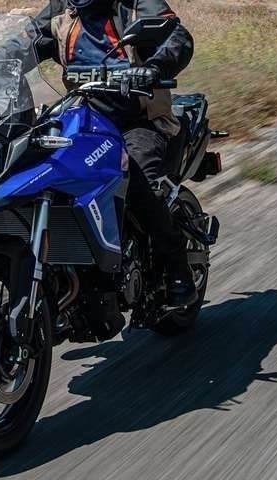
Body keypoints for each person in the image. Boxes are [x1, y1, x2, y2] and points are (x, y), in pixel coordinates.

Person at [32, 0, 197, 306]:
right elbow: (26, 40)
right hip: (83, 122)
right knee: (44, 173)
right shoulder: (62, 9)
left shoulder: (134, 5)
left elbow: (178, 37)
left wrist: (154, 68)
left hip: (139, 120)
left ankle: (178, 269)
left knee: (137, 182)